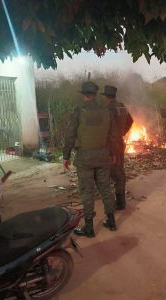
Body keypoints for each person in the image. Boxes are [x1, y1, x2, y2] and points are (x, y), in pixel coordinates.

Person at [63, 82, 118, 237]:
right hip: (103, 157)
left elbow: (70, 135)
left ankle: (89, 228)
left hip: (85, 159)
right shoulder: (106, 111)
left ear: (84, 94)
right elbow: (113, 136)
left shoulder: (79, 111)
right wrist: (113, 153)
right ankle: (112, 221)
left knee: (87, 192)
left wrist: (66, 156)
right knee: (106, 189)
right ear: (95, 94)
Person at [102, 85, 134, 210]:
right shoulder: (122, 106)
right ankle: (121, 200)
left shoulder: (108, 109)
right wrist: (123, 132)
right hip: (120, 143)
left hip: (110, 145)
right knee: (119, 171)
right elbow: (131, 121)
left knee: (111, 173)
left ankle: (118, 203)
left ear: (106, 96)